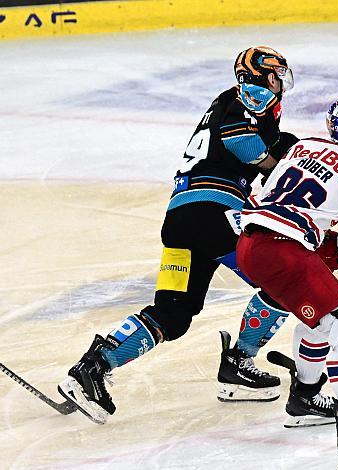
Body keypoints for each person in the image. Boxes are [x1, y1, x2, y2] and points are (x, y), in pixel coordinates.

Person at [58, 46, 299, 424]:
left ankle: (92, 368)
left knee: (173, 314)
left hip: (182, 220)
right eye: (275, 75)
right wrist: (282, 160)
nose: (279, 82)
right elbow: (246, 147)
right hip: (215, 216)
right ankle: (238, 362)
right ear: (261, 77)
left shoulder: (235, 106)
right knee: (286, 282)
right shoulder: (238, 101)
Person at [235, 99, 338, 468]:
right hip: (284, 249)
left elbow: (273, 197)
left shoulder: (301, 146)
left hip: (250, 243)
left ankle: (304, 399)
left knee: (321, 321)